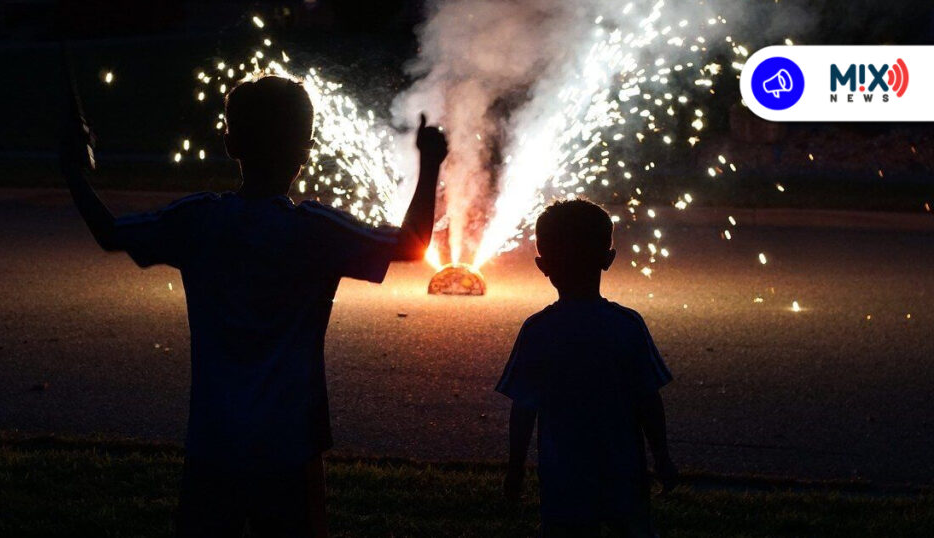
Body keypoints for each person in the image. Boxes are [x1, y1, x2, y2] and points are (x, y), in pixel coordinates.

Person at [60, 75, 448, 537]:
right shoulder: (316, 231)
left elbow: (109, 233)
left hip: (213, 439)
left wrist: (73, 173)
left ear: (229, 143)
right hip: (289, 445)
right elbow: (412, 244)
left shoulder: (197, 221)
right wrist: (430, 164)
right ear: (305, 152)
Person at [496, 199, 678, 538]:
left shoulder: (538, 330)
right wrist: (662, 457)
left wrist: (515, 470)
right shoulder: (627, 325)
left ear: (542, 265)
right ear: (608, 259)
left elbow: (523, 408)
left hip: (563, 474)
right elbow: (648, 399)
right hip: (623, 470)